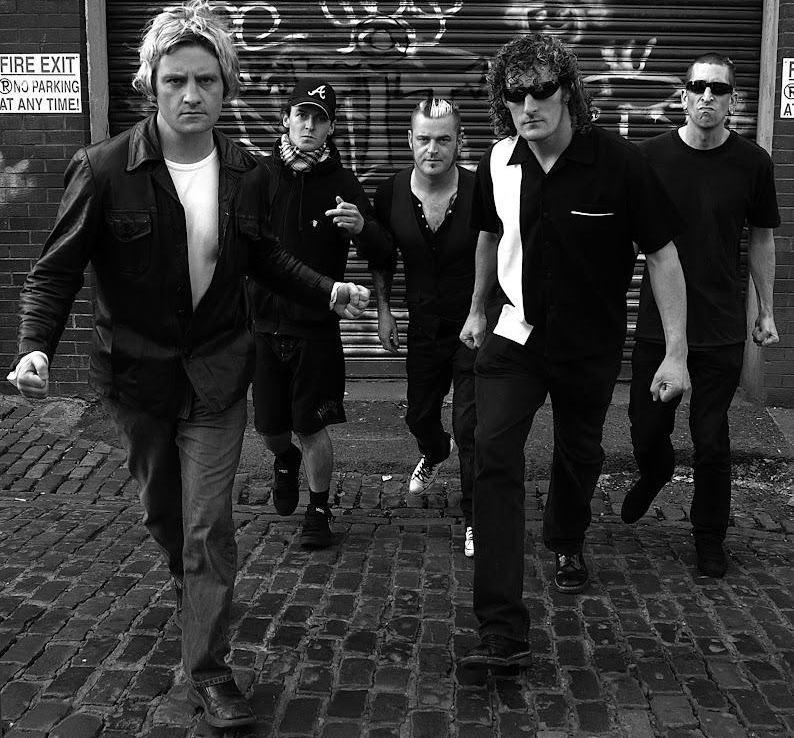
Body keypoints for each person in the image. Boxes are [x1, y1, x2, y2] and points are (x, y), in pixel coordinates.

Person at [7, 0, 370, 730]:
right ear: (151, 82)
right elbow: (54, 272)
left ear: (226, 86)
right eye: (176, 80)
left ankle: (208, 668)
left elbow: (264, 256)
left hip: (217, 373)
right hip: (137, 378)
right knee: (165, 518)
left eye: (206, 80)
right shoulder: (105, 169)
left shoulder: (246, 172)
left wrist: (327, 289)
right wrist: (34, 346)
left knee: (208, 528)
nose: (192, 94)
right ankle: (190, 581)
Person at [457, 33, 690, 674]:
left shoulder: (621, 163)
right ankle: (502, 629)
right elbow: (488, 236)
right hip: (516, 335)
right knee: (493, 454)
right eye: (515, 94)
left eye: (541, 90)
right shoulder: (498, 161)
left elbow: (663, 255)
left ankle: (566, 537)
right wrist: (476, 309)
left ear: (568, 91)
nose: (528, 105)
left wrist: (675, 352)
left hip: (590, 343)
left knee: (579, 452)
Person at [622, 53, 781, 578]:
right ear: (684, 96)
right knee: (646, 429)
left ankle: (709, 538)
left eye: (719, 88)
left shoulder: (753, 163)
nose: (707, 96)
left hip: (718, 326)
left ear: (733, 100)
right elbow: (625, 238)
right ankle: (656, 471)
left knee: (711, 440)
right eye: (698, 86)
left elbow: (761, 238)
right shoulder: (648, 157)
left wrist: (765, 310)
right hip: (657, 326)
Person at [248, 77, 392, 549]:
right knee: (270, 430)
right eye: (302, 115)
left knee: (311, 425)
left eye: (319, 119)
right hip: (265, 324)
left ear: (331, 128)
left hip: (316, 327)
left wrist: (362, 227)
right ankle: (284, 459)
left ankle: (319, 509)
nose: (309, 125)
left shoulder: (342, 183)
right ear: (286, 119)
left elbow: (383, 248)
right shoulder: (259, 177)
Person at [370, 98, 479, 557]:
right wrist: (383, 310)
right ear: (409, 140)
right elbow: (382, 257)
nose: (432, 149)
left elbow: (501, 252)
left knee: (471, 427)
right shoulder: (390, 192)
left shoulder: (480, 189)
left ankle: (477, 519)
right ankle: (435, 452)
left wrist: (485, 309)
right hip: (422, 324)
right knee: (419, 415)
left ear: (459, 142)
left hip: (474, 324)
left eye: (443, 139)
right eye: (424, 139)